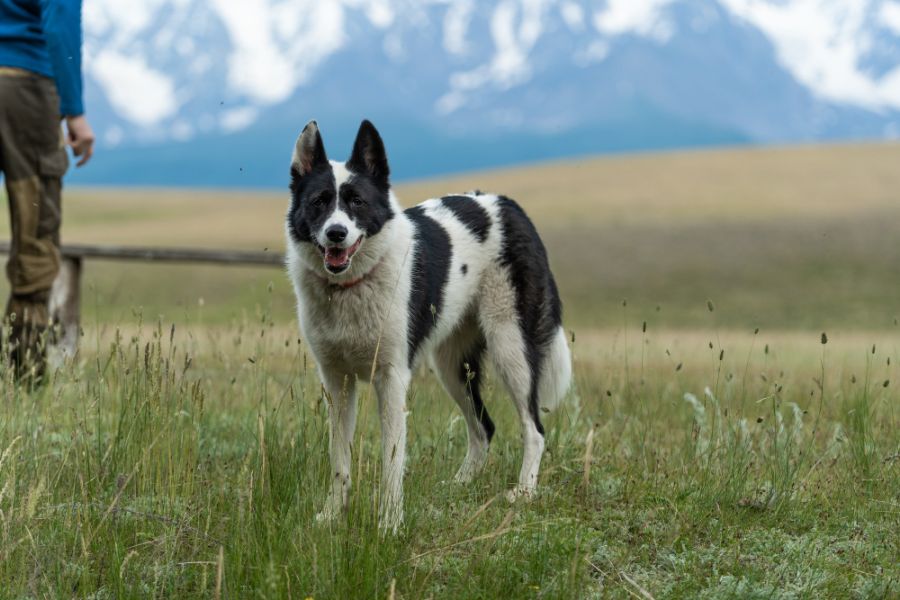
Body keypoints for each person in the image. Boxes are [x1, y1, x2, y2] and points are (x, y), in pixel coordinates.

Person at [0, 0, 94, 380]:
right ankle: (23, 381)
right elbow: (60, 22)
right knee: (36, 234)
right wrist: (75, 111)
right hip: (26, 86)